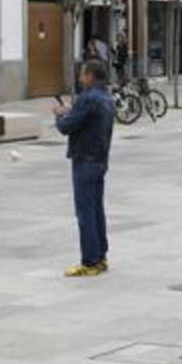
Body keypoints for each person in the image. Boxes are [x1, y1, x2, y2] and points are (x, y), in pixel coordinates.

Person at [53, 60, 116, 277]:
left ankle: (89, 261)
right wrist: (73, 110)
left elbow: (66, 127)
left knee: (85, 211)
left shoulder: (87, 98)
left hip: (85, 160)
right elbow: (88, 119)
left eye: (82, 75)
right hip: (100, 159)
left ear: (90, 76)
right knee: (96, 208)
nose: (80, 79)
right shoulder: (106, 97)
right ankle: (101, 257)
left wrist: (60, 113)